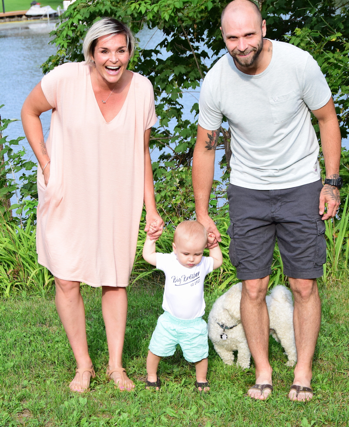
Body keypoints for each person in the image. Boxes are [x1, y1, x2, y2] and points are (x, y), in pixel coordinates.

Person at [192, 0, 341, 401]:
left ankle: (304, 370)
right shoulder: (216, 81)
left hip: (301, 184)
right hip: (247, 190)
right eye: (232, 38)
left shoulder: (298, 64)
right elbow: (205, 148)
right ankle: (263, 370)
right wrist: (202, 213)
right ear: (223, 37)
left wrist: (331, 183)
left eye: (248, 35)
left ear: (263, 28)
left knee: (303, 285)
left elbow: (327, 119)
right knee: (253, 286)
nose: (241, 45)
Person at [21, 18, 163, 393]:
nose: (113, 59)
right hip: (66, 191)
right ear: (91, 53)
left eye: (121, 50)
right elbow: (29, 111)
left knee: (114, 279)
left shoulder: (142, 88)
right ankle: (84, 365)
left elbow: (142, 151)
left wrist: (152, 206)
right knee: (66, 278)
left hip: (119, 194)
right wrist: (47, 165)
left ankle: (116, 366)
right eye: (104, 51)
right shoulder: (65, 79)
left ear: (130, 51)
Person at [142, 221, 223, 391]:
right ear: (174, 248)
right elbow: (148, 256)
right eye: (186, 253)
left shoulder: (202, 264)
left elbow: (217, 261)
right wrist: (151, 239)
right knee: (156, 349)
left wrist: (214, 245)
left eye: (197, 253)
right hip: (169, 321)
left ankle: (201, 380)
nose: (192, 258)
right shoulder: (169, 261)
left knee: (200, 354)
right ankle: (151, 377)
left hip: (194, 323)